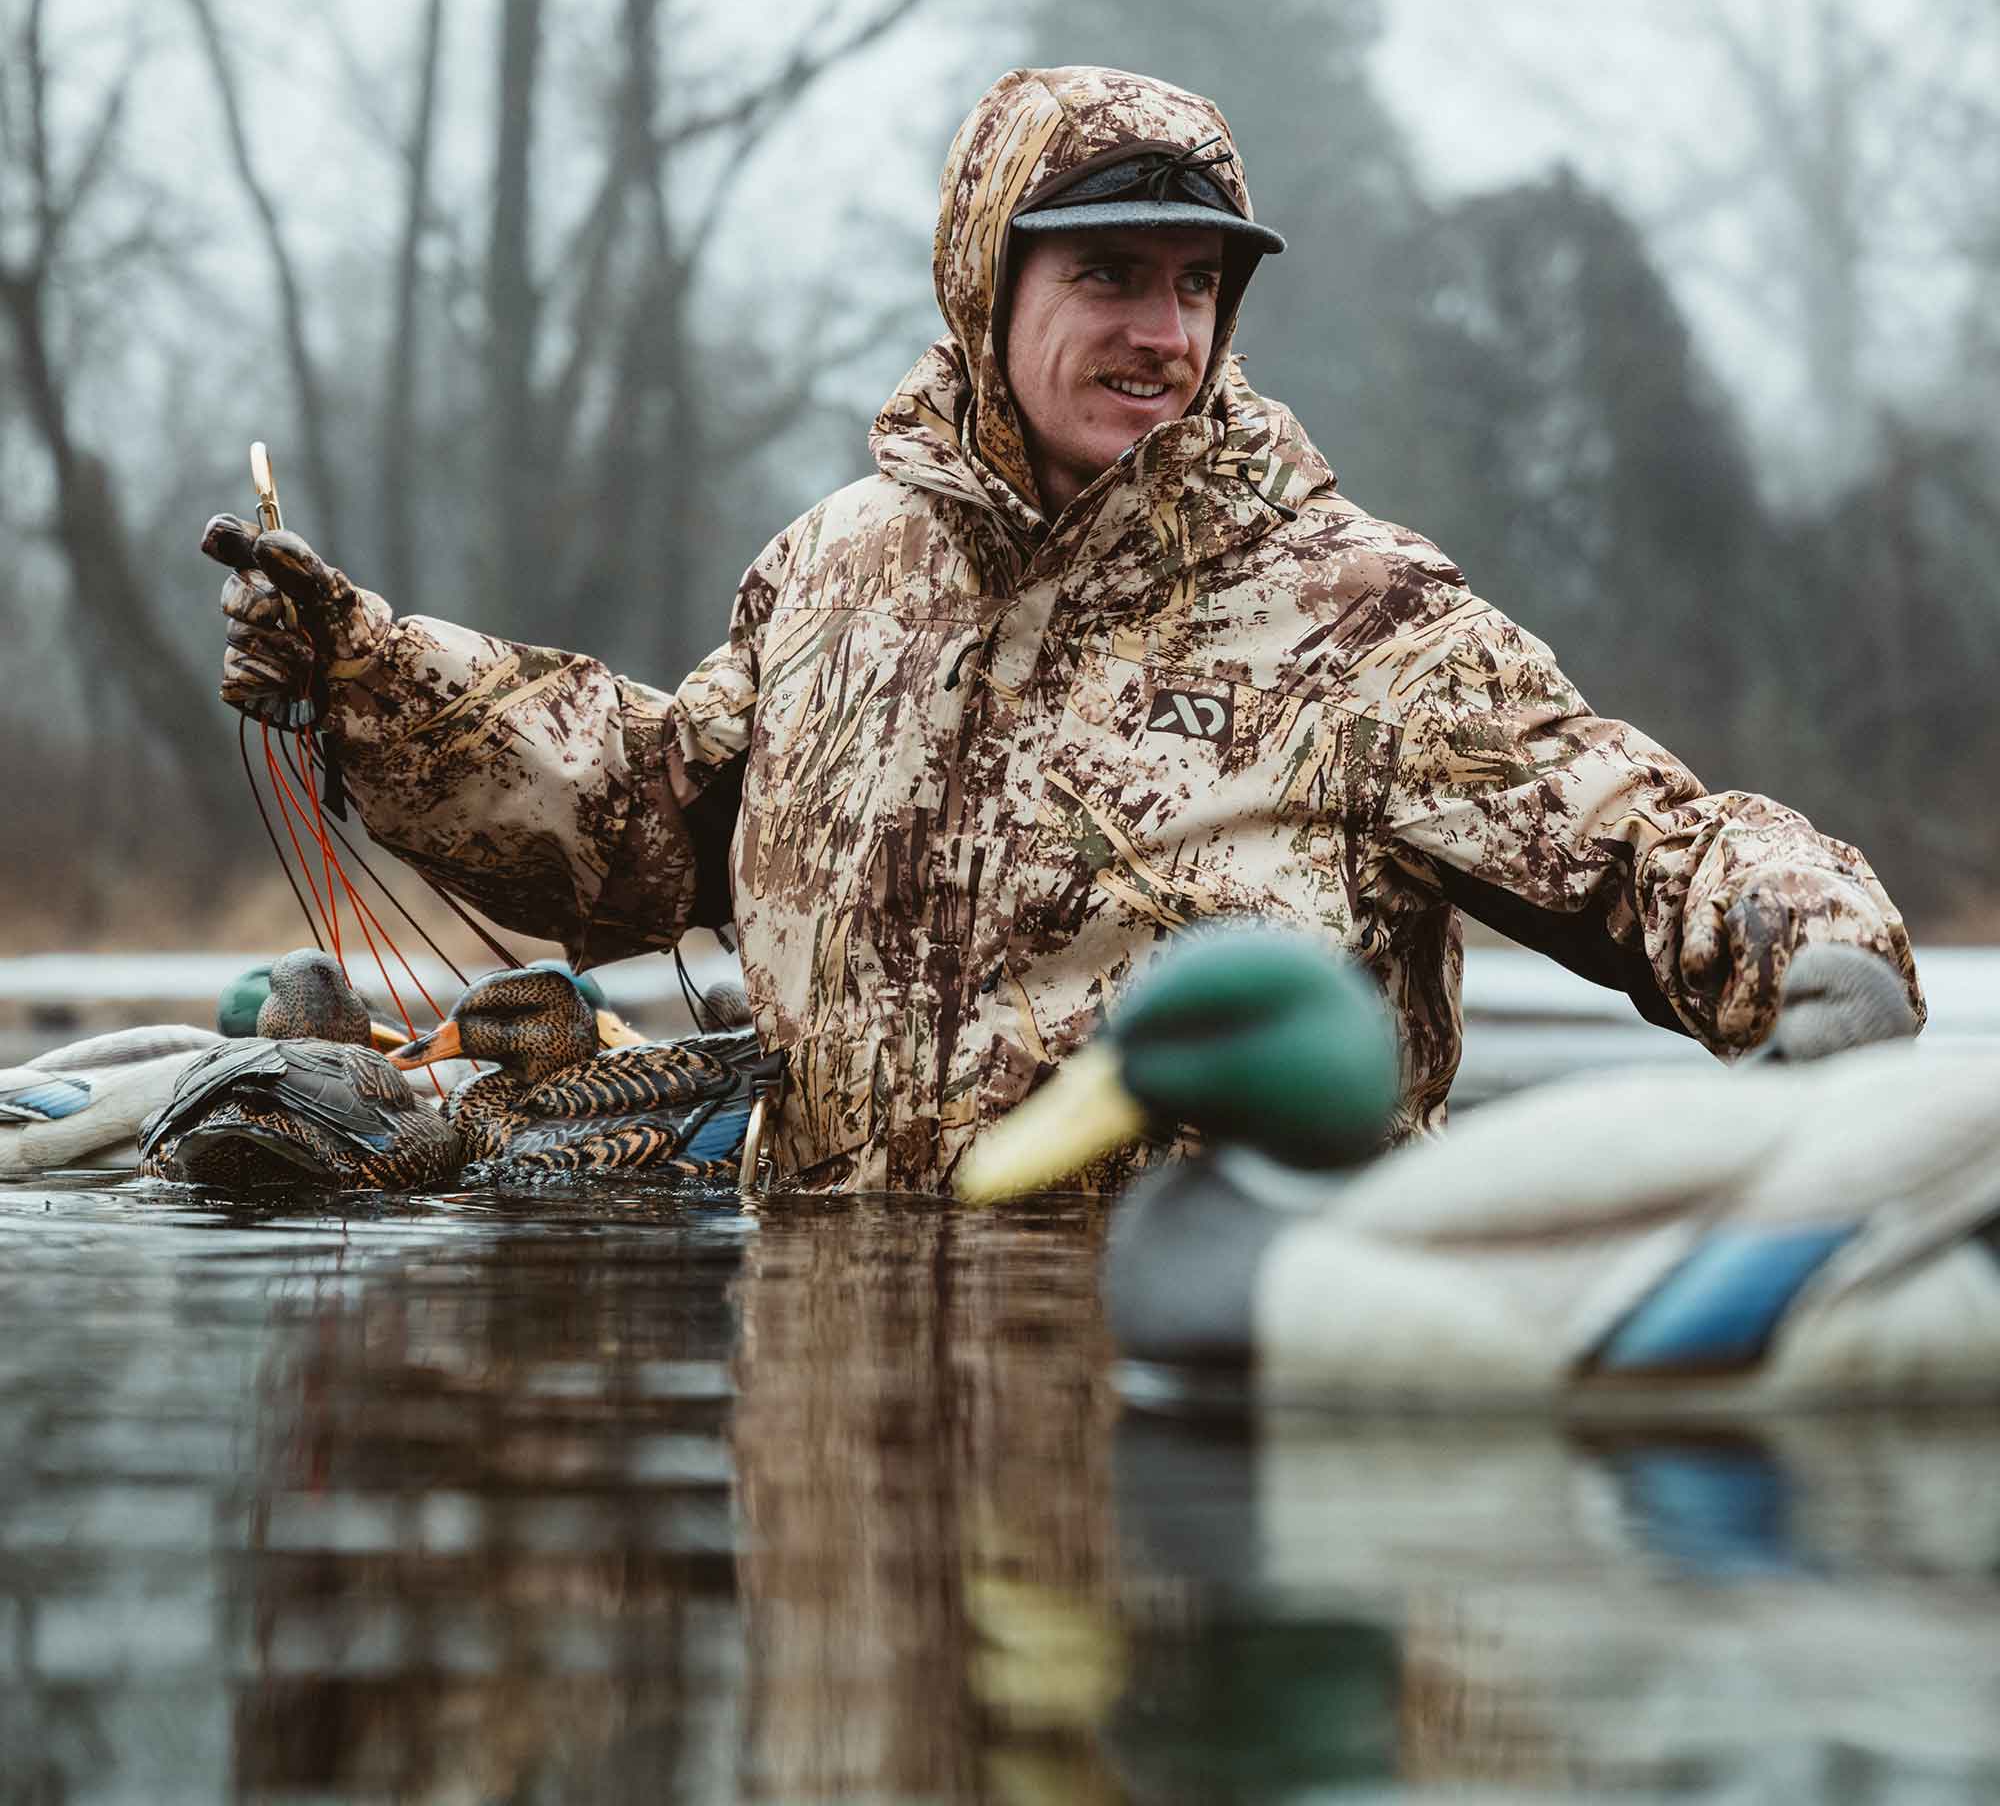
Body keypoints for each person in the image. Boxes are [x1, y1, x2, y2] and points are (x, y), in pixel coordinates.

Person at [205, 66, 1923, 1193]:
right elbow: (638, 828)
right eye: (1111, 279)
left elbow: (1649, 849)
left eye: (1196, 286)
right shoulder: (835, 574)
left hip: (1199, 1423)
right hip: (842, 1451)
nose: (1163, 332)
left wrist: (1818, 956)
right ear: (987, 283)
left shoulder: (1360, 619)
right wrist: (365, 675)